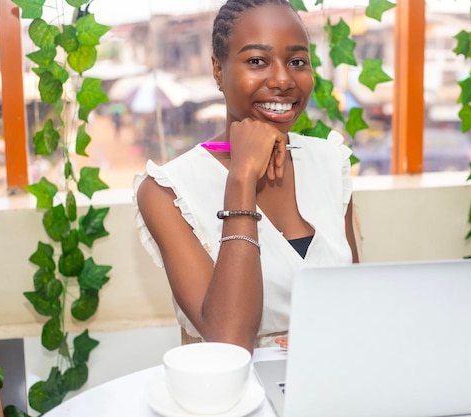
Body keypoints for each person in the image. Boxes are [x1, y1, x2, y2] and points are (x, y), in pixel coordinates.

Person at [134, 0, 359, 353]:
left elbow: (354, 304)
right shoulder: (167, 191)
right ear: (218, 71)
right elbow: (229, 341)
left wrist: (319, 339)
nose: (283, 79)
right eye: (257, 61)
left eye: (297, 61)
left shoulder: (331, 162)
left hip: (332, 378)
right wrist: (240, 178)